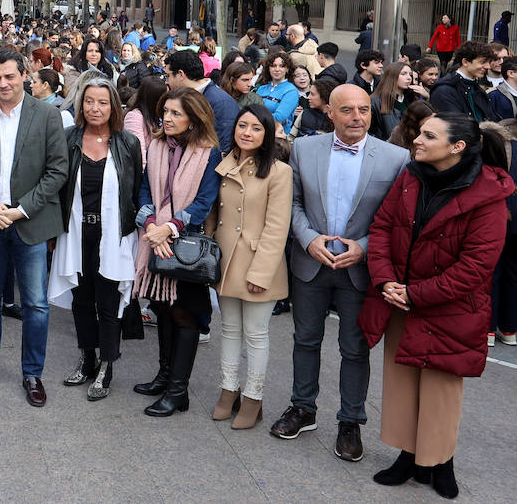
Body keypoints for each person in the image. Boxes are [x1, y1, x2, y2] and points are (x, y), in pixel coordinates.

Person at [361, 114, 512, 498]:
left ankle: (441, 461)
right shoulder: (411, 176)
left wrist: (416, 294)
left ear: (457, 146)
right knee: (402, 385)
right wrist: (385, 281)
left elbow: (477, 267)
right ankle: (409, 456)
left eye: (429, 135)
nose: (418, 141)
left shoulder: (488, 194)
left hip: (450, 310)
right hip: (399, 300)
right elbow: (381, 228)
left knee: (442, 390)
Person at [268, 84, 410, 462]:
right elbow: (293, 203)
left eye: (363, 109)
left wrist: (362, 248)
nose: (357, 117)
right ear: (329, 113)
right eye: (347, 110)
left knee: (355, 348)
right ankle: (303, 408)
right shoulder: (304, 148)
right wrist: (309, 238)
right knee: (305, 340)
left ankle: (350, 421)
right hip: (310, 264)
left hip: (359, 270)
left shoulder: (395, 158)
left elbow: (393, 218)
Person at [0, 48, 69, 407]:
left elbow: (57, 172)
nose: (2, 83)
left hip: (30, 224)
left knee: (35, 304)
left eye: (9, 76)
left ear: (25, 75)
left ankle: (32, 373)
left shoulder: (48, 116)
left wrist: (20, 211)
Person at [47, 77, 139, 402]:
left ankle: (106, 365)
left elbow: (135, 191)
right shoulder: (69, 137)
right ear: (80, 104)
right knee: (81, 300)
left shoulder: (127, 143)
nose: (95, 108)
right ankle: (87, 357)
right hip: (76, 232)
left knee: (108, 302)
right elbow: (57, 184)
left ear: (113, 106)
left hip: (112, 235)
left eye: (102, 102)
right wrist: (52, 231)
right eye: (89, 102)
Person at [132, 88, 221, 417]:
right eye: (164, 112)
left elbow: (203, 202)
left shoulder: (209, 153)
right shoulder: (156, 146)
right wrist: (152, 222)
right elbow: (143, 189)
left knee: (184, 313)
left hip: (184, 246)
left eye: (175, 114)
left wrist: (167, 229)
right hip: (156, 238)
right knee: (164, 309)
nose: (167, 119)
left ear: (194, 118)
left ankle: (177, 392)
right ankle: (164, 376)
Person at [205, 105, 292, 430]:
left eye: (256, 128)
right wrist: (211, 246)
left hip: (260, 264)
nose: (247, 132)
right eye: (243, 125)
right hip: (226, 261)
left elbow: (277, 226)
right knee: (228, 328)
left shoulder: (279, 172)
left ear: (267, 133)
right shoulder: (224, 163)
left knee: (256, 333)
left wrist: (260, 272)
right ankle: (229, 390)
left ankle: (254, 397)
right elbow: (214, 212)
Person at [165, 49, 237, 154]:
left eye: (168, 76)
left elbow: (223, 146)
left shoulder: (221, 102)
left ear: (181, 74)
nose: (167, 81)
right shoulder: (183, 97)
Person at [428, 40, 495, 122]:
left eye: (489, 62)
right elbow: (455, 126)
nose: (488, 66)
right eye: (483, 62)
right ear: (465, 62)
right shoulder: (443, 90)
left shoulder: (479, 90)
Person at [369, 62, 416, 139]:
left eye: (410, 74)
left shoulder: (412, 100)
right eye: (404, 74)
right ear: (392, 77)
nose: (409, 78)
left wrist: (426, 98)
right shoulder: (375, 101)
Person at [255, 51, 298, 132]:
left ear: (287, 69)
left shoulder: (291, 91)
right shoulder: (261, 89)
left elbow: (279, 118)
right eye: (273, 66)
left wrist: (255, 118)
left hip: (277, 138)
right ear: (269, 68)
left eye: (281, 66)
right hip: (258, 134)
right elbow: (252, 110)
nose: (277, 69)